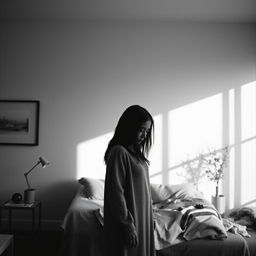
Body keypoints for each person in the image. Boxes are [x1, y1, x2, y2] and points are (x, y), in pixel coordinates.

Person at [103, 105, 156, 256]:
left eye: (147, 131)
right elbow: (116, 193)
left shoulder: (136, 153)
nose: (144, 135)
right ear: (129, 127)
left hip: (142, 218)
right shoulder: (119, 152)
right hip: (129, 222)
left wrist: (150, 216)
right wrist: (128, 225)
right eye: (141, 130)